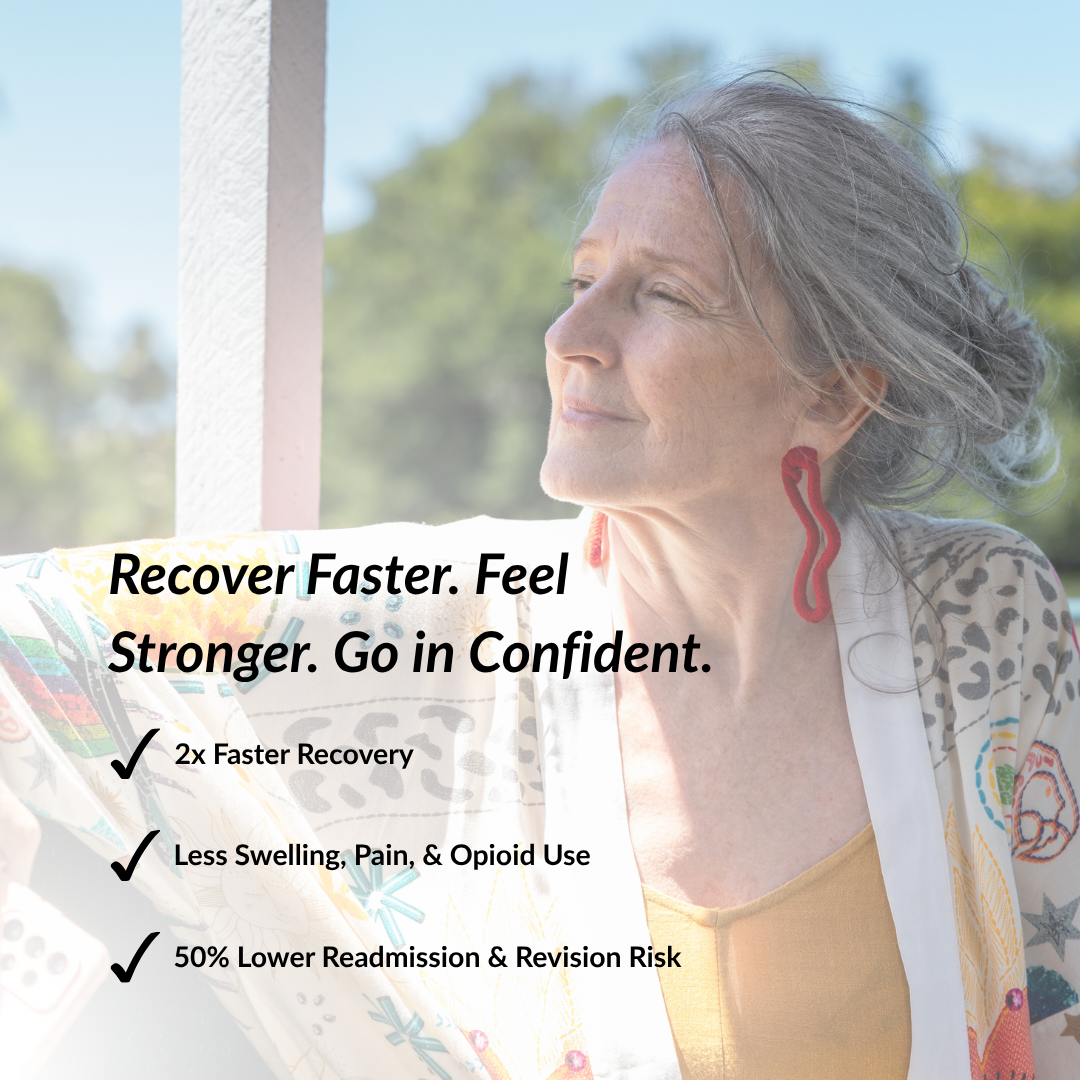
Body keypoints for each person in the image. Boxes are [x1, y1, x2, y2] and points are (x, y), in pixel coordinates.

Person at [1, 76, 1077, 1080]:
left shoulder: (979, 618)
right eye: (581, 280)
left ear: (833, 396)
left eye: (662, 295)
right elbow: (42, 629)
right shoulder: (441, 612)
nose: (570, 335)